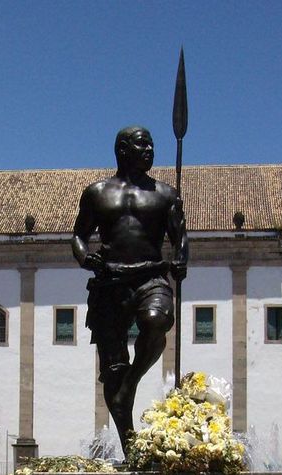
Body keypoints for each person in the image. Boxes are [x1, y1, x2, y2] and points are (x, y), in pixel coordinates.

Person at [71, 126, 188, 455]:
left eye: (152, 144)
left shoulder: (166, 195)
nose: (150, 150)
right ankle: (132, 448)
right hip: (109, 283)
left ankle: (132, 384)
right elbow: (79, 235)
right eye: (142, 145)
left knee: (156, 321)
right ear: (122, 150)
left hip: (151, 277)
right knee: (112, 372)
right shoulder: (96, 193)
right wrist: (84, 257)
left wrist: (180, 260)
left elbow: (181, 238)